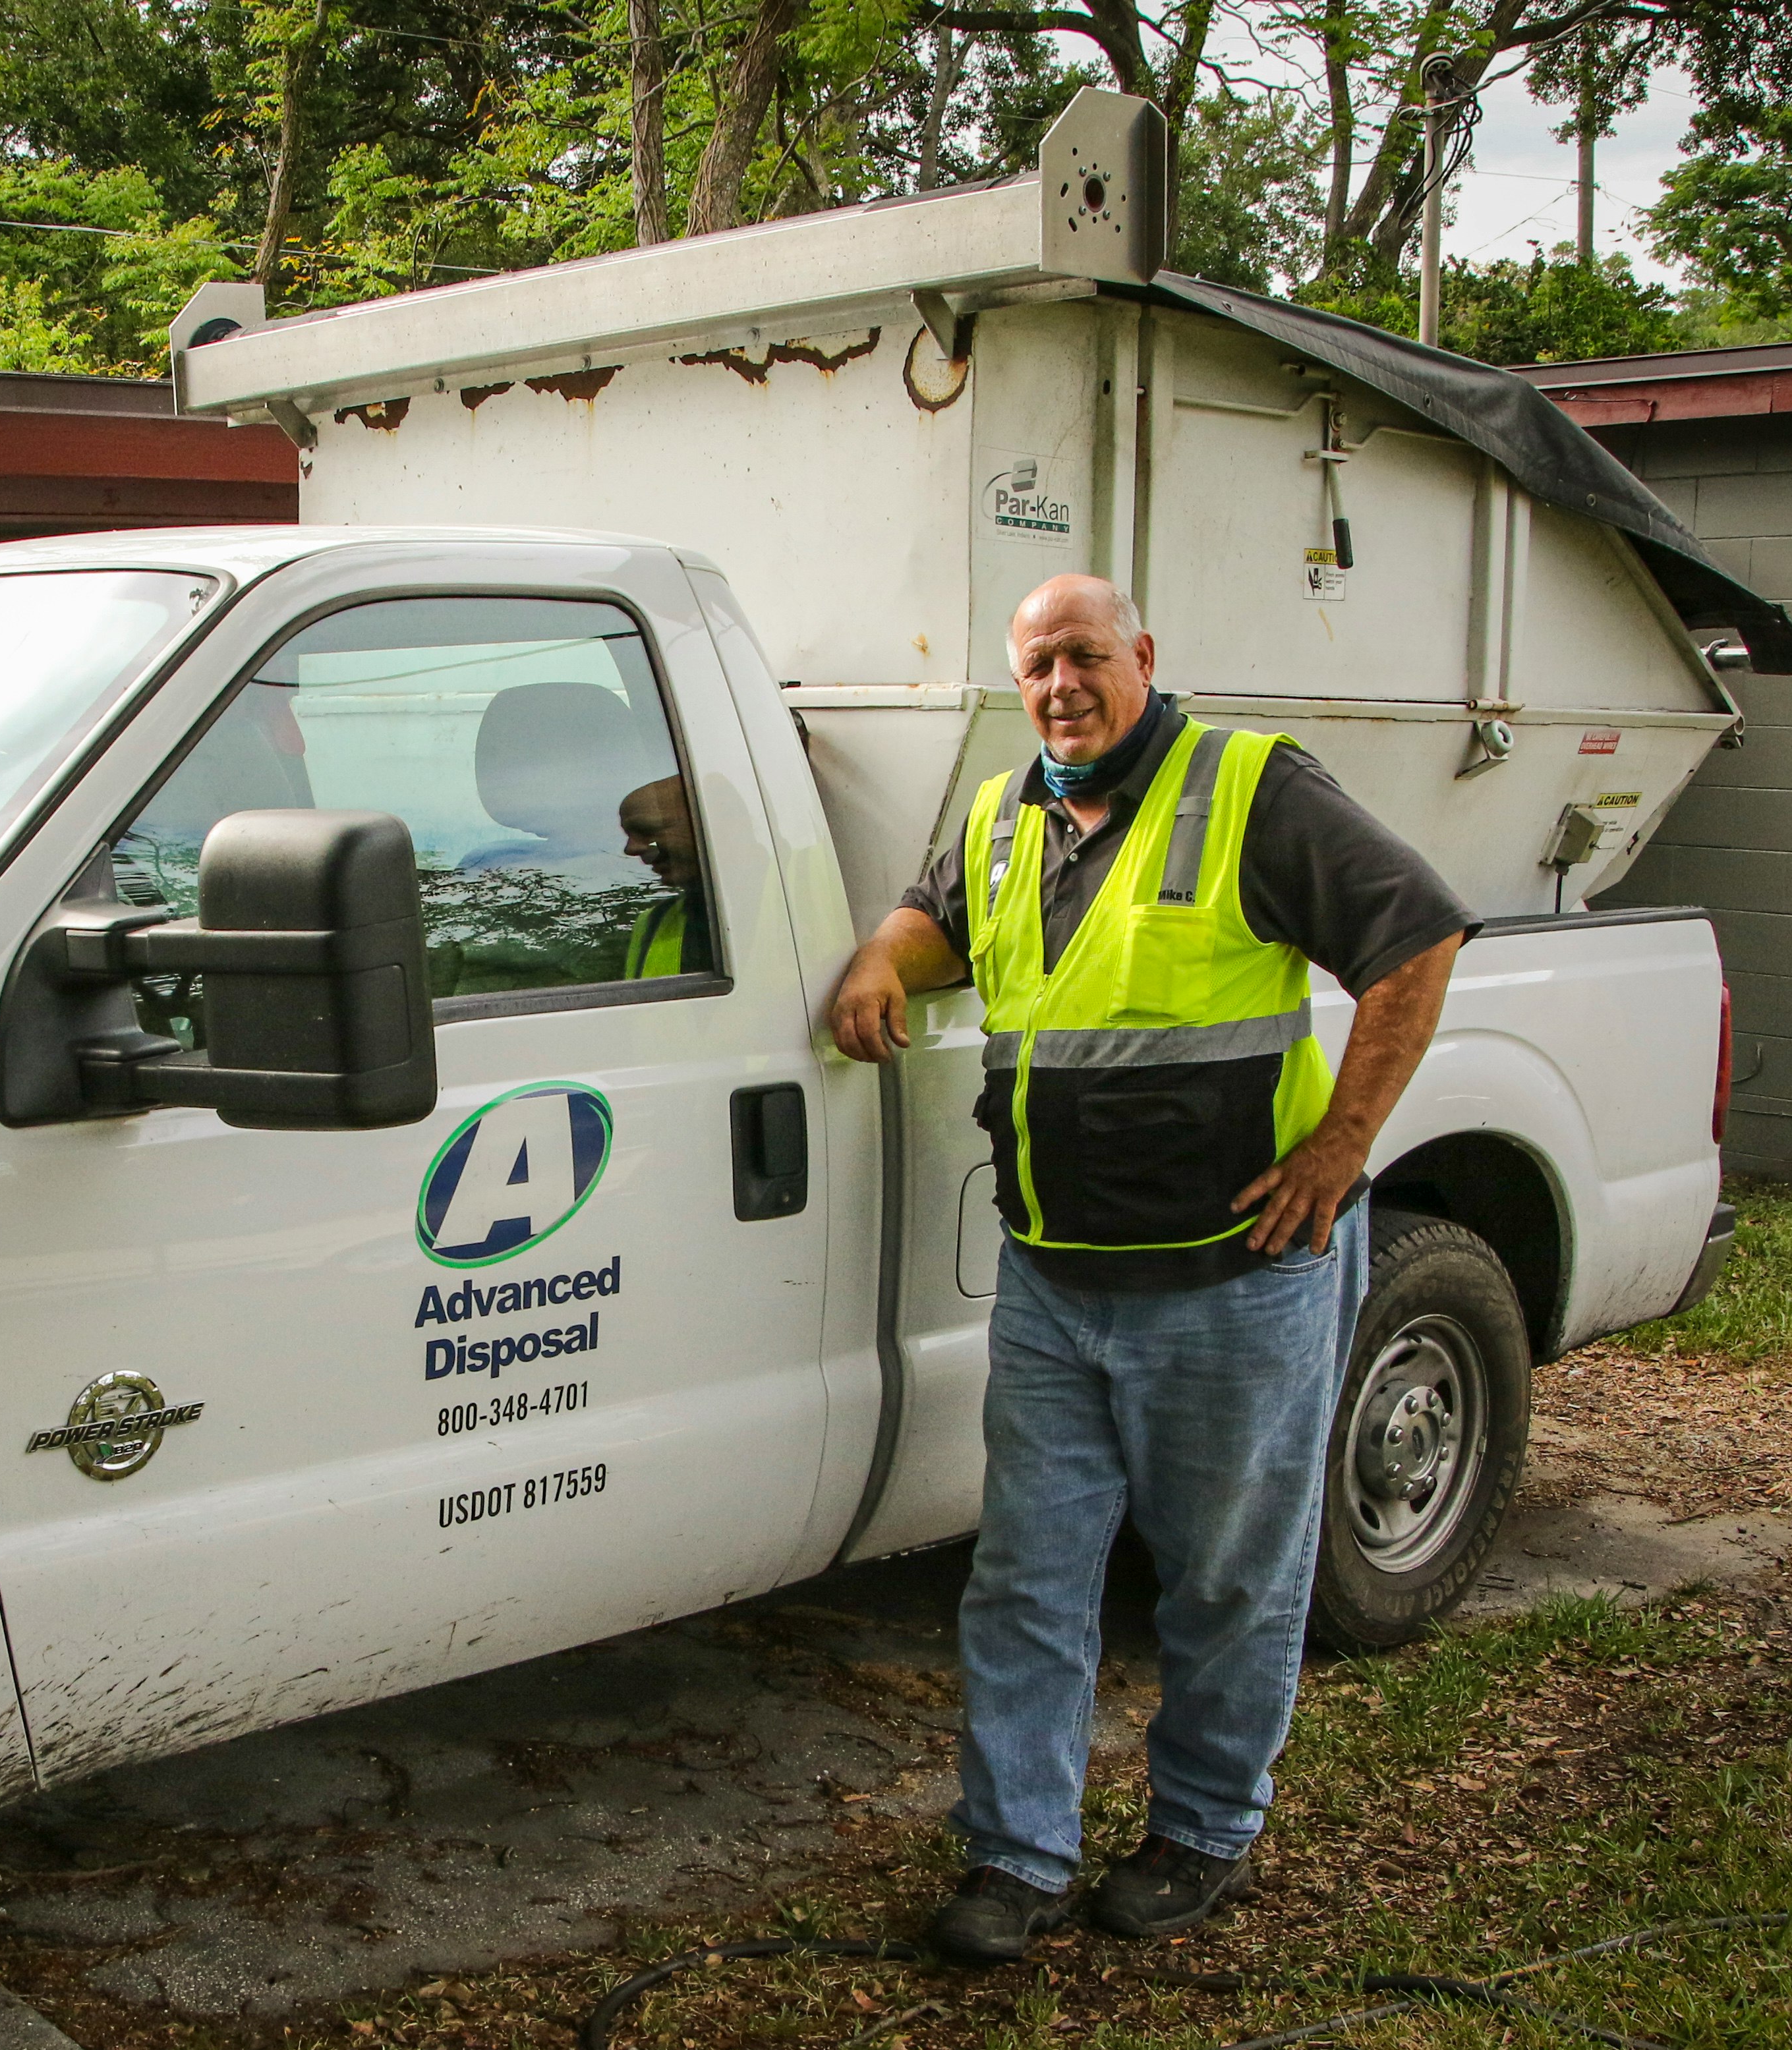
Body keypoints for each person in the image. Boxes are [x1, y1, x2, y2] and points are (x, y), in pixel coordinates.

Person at [827, 573, 1472, 1963]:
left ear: (1142, 656)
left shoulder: (1247, 787)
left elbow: (1415, 942)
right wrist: (882, 959)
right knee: (1026, 1581)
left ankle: (1202, 1830)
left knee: (1226, 1578)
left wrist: (1338, 1151)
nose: (1059, 684)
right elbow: (926, 917)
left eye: (1082, 655)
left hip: (1234, 1281)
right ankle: (1014, 1857)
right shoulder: (1005, 818)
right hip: (1055, 1283)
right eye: (1034, 666)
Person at [617, 776, 712, 978]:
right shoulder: (651, 923)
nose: (631, 849)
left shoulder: (794, 892)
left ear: (709, 821)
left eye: (646, 830)